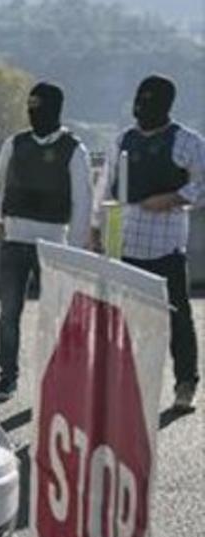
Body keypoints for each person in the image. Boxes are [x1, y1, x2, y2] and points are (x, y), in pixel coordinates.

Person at [90, 75, 204, 412]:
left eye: (149, 101)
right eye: (139, 100)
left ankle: (186, 383)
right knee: (123, 320)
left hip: (166, 247)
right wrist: (94, 227)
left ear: (166, 105)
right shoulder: (123, 140)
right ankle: (125, 385)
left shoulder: (187, 142)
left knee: (177, 318)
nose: (141, 107)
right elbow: (104, 185)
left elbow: (201, 185)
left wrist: (172, 197)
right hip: (125, 245)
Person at [0, 82, 93, 404]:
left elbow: (82, 202)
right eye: (30, 106)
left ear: (55, 109)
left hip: (54, 248)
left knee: (56, 317)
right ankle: (7, 379)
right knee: (8, 315)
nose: (33, 113)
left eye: (39, 106)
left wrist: (73, 251)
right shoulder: (15, 144)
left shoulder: (74, 150)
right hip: (15, 242)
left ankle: (60, 379)